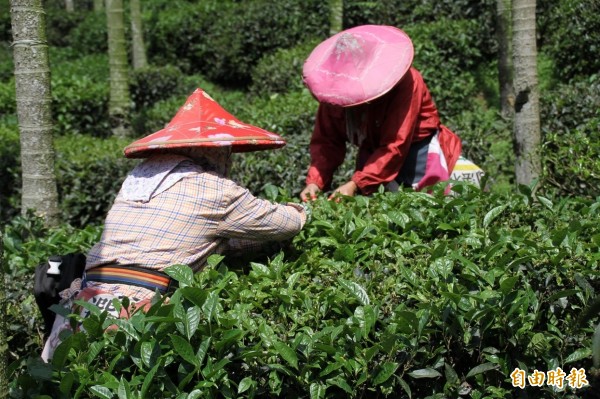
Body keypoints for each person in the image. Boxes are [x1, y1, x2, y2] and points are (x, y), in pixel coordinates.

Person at [42, 88, 307, 361]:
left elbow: (187, 236)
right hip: (137, 312)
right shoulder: (216, 190)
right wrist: (303, 209)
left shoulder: (137, 180)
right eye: (226, 152)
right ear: (215, 152)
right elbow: (287, 224)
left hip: (81, 302)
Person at [299, 25, 464, 201]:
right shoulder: (333, 93)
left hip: (417, 155)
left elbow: (395, 144)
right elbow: (327, 141)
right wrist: (315, 182)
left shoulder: (406, 82)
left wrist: (356, 183)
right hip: (373, 157)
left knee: (432, 211)